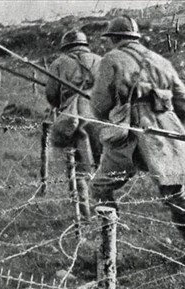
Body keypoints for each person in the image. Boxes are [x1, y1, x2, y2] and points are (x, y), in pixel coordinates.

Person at [90, 16, 185, 266]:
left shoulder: (111, 59)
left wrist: (115, 116)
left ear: (115, 38)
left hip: (130, 136)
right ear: (136, 37)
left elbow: (99, 105)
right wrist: (171, 125)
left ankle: (111, 252)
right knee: (175, 193)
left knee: (101, 187)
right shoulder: (161, 60)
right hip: (163, 134)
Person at [45, 29, 102, 179]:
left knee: (78, 164)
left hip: (74, 116)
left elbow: (51, 95)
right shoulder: (100, 60)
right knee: (101, 160)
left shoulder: (59, 63)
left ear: (66, 47)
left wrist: (63, 100)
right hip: (100, 115)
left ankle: (80, 188)